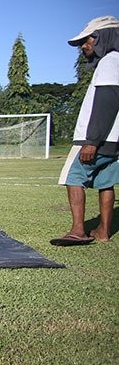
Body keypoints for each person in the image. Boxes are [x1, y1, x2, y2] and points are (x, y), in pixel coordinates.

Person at [51, 15, 119, 246]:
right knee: (105, 182)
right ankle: (103, 232)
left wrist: (92, 140)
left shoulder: (110, 62)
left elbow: (107, 102)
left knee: (72, 177)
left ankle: (78, 230)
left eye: (88, 39)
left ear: (103, 36)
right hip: (113, 140)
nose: (83, 45)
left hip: (95, 138)